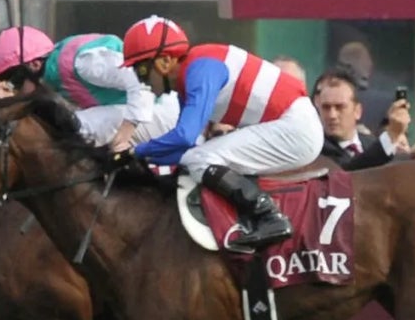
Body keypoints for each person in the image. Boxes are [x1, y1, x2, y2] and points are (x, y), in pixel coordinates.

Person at [122, 16, 315, 252]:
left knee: (201, 160)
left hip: (295, 128)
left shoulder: (201, 69)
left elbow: (184, 137)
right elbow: (186, 147)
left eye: (140, 70)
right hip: (289, 125)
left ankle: (269, 216)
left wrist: (136, 151)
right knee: (196, 158)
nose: (141, 81)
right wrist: (136, 159)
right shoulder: (191, 76)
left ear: (164, 62)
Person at [312, 71, 415, 172]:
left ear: (357, 111)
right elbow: (349, 172)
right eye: (326, 107)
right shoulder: (316, 151)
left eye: (340, 107)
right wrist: (392, 135)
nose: (332, 115)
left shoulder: (370, 142)